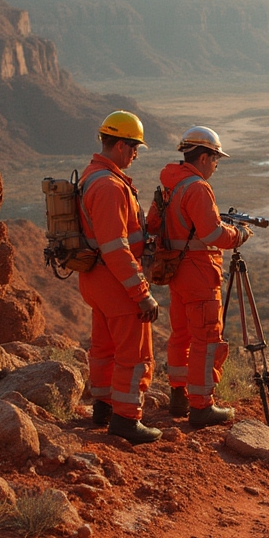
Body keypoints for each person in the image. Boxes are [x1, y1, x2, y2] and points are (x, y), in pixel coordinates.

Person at [152, 126, 251, 428]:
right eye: (216, 159)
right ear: (205, 157)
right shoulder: (197, 187)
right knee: (207, 338)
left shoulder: (170, 184)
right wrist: (238, 236)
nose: (217, 165)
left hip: (177, 272)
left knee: (181, 335)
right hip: (198, 272)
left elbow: (154, 223)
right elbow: (211, 233)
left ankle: (179, 395)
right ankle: (202, 406)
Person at [80, 110, 162, 445]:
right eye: (133, 147)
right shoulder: (110, 186)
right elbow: (116, 248)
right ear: (118, 145)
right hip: (116, 282)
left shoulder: (91, 176)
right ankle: (127, 419)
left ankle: (103, 406)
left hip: (96, 281)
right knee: (134, 353)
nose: (136, 154)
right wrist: (142, 293)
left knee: (104, 347)